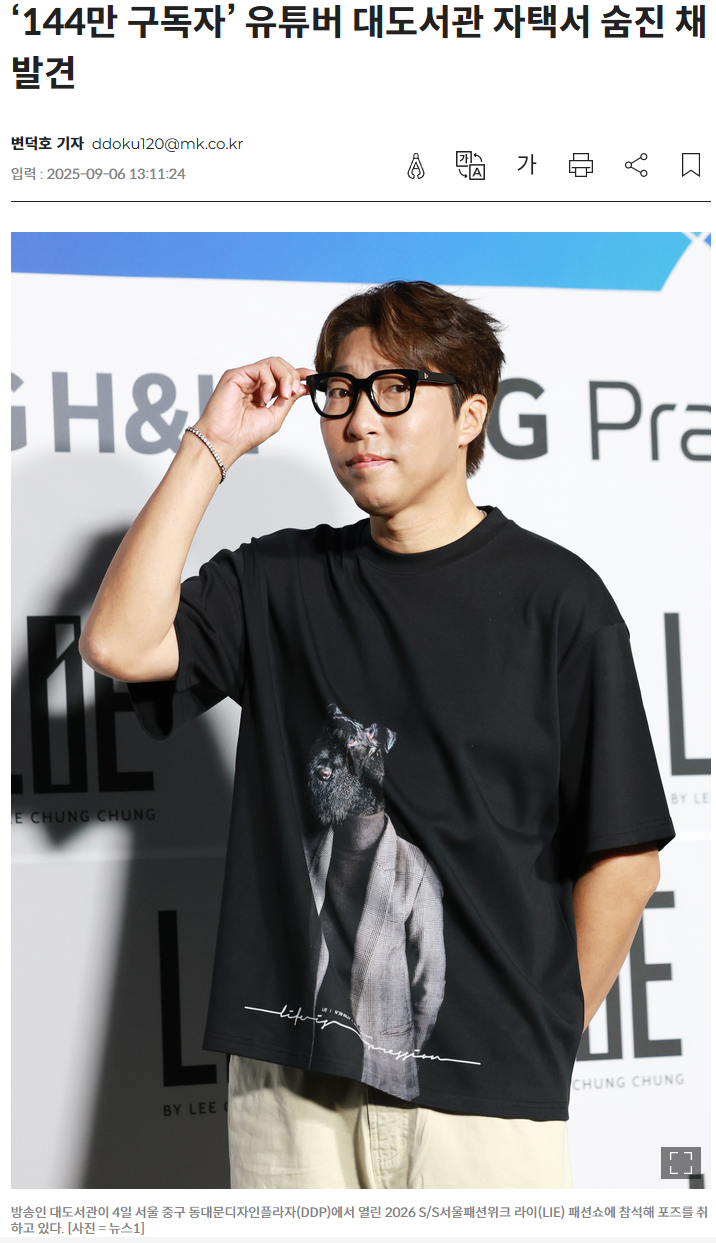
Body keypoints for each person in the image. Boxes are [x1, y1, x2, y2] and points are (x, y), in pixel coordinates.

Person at [79, 280, 674, 1190]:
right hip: (292, 1092)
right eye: (341, 391)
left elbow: (625, 861)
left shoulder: (558, 601)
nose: (361, 419)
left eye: (396, 388)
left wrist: (539, 1038)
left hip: (483, 1102)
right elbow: (118, 642)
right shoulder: (279, 580)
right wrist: (213, 445)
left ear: (471, 413)